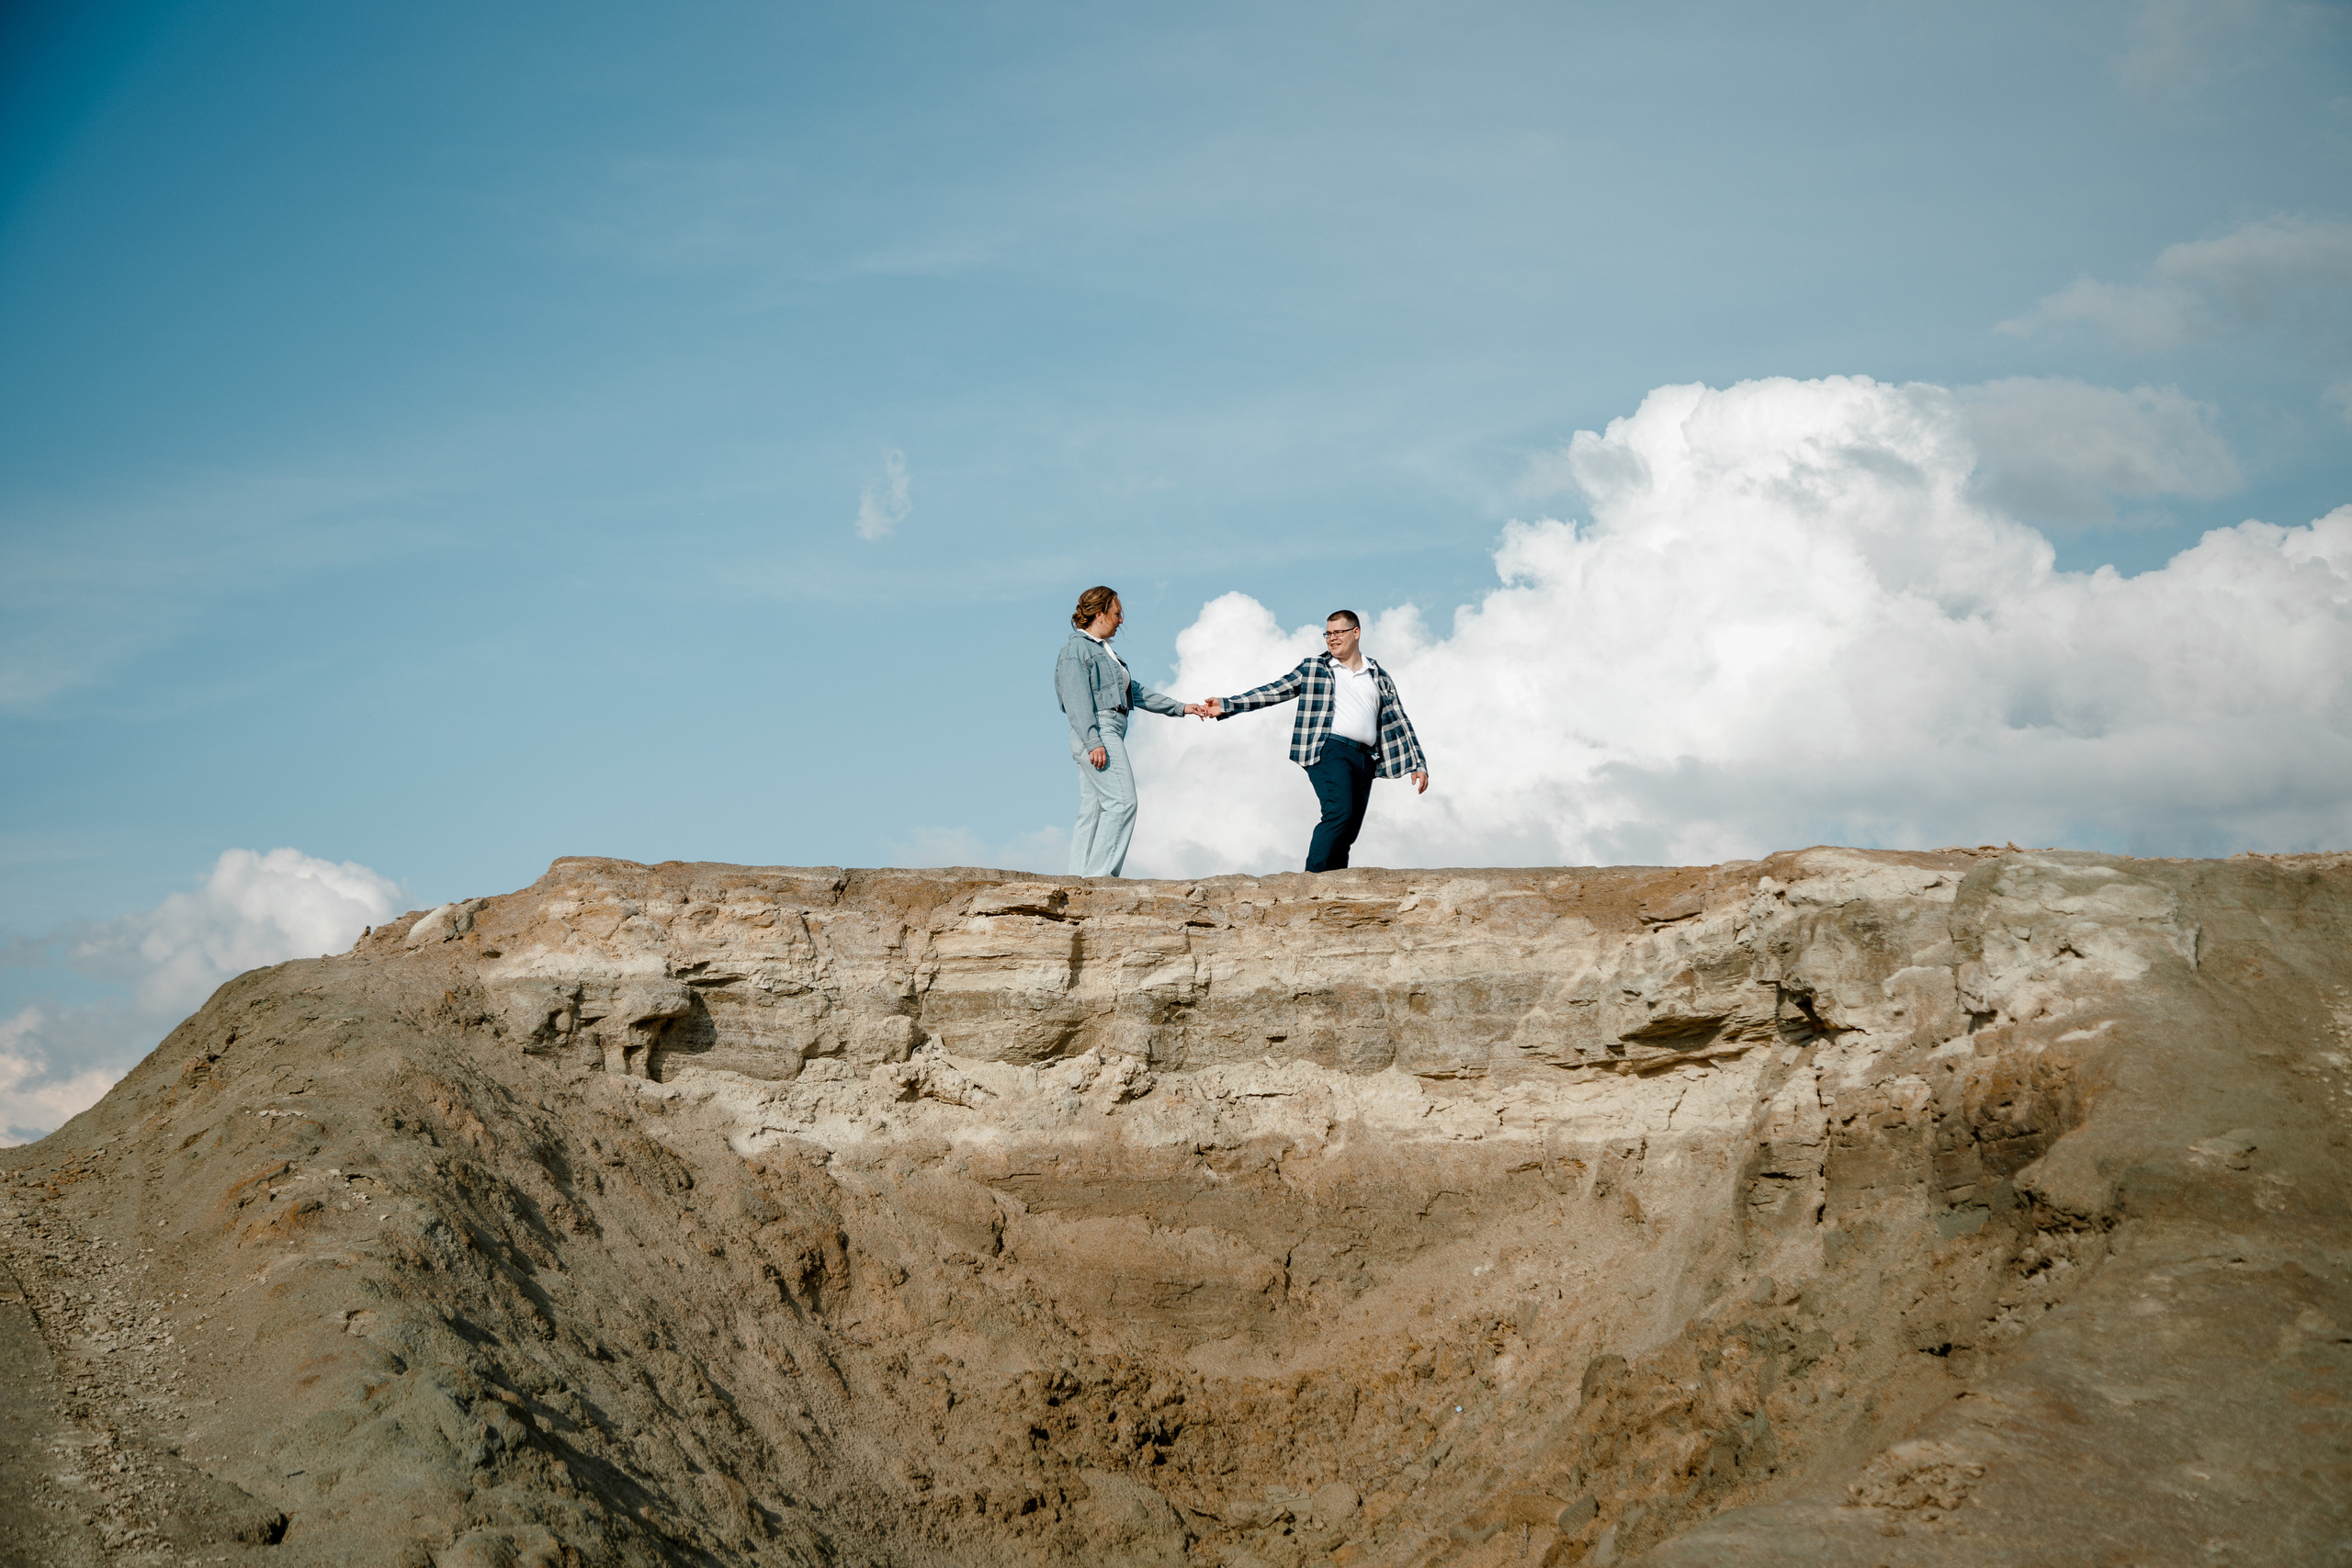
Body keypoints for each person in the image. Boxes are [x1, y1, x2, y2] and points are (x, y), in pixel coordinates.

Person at [1187, 611, 1429, 873]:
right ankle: (1311, 882)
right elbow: (1274, 691)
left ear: (1355, 633)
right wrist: (1228, 704)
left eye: (1338, 633)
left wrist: (1418, 762)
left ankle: (1334, 884)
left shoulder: (1378, 675)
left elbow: (1400, 719)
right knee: (1339, 813)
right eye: (1328, 633)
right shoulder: (1315, 667)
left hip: (1366, 759)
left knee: (1348, 831)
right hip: (1329, 749)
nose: (1332, 639)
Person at [1055, 586, 1190, 879]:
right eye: (1117, 614)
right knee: (1123, 803)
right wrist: (1094, 741)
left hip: (1104, 730)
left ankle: (1078, 879)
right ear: (1100, 613)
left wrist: (1183, 708)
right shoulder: (1076, 650)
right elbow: (1076, 699)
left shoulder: (1106, 653)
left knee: (1094, 810)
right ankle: (1099, 880)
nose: (1120, 620)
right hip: (1098, 731)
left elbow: (1137, 692)